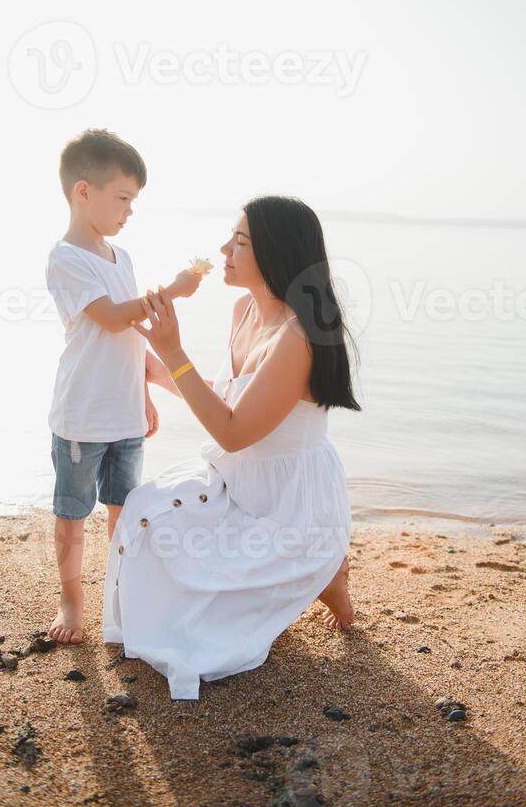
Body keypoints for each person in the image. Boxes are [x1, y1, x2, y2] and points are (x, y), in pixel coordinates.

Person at [103, 195, 361, 699]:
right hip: (235, 479)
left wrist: (173, 351)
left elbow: (233, 431)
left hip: (288, 503)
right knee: (145, 516)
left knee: (208, 629)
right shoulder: (244, 309)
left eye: (240, 242)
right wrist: (157, 373)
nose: (224, 249)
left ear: (275, 253)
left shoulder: (299, 337)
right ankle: (314, 575)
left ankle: (327, 568)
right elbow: (226, 400)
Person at [45, 128, 203, 645]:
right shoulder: (66, 258)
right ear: (83, 192)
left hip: (125, 416)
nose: (129, 211)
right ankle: (72, 603)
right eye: (123, 199)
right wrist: (172, 292)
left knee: (123, 511)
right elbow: (112, 318)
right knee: (72, 514)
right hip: (83, 417)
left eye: (134, 201)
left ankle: (121, 595)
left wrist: (145, 391)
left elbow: (132, 337)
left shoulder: (123, 257)